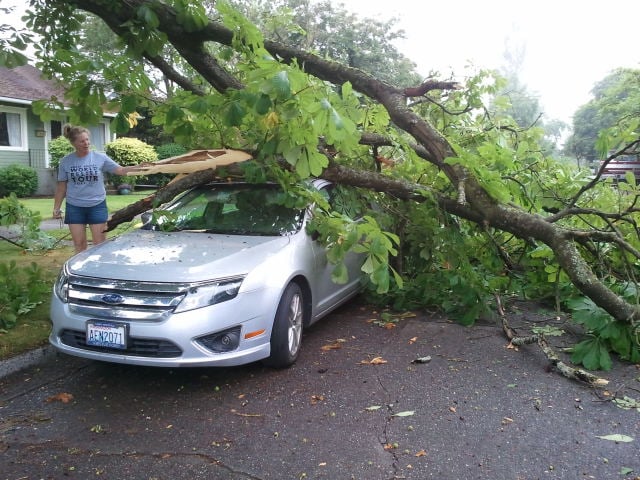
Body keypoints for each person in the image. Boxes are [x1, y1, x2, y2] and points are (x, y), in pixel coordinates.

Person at [52, 125, 141, 253]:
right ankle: (81, 270)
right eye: (82, 141)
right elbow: (61, 187)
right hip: (74, 207)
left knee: (100, 244)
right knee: (79, 244)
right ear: (74, 143)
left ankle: (99, 268)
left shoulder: (100, 157)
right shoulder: (66, 162)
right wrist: (56, 207)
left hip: (97, 205)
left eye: (87, 139)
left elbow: (121, 170)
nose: (86, 143)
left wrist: (140, 167)